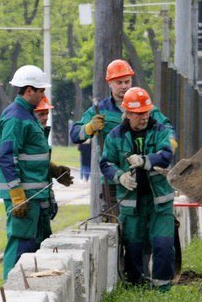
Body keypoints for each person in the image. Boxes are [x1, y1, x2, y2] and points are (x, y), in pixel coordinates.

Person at [69, 59, 176, 212]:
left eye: (127, 81)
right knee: (118, 222)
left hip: (147, 178)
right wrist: (89, 127)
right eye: (119, 82)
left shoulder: (146, 108)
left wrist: (169, 144)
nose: (124, 86)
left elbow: (167, 128)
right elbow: (75, 135)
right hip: (113, 180)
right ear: (109, 83)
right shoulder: (100, 110)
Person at [0, 65, 73, 279]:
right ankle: (12, 287)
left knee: (36, 245)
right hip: (25, 197)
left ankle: (27, 286)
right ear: (29, 90)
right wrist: (16, 194)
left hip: (35, 196)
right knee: (21, 243)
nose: (43, 95)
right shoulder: (15, 117)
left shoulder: (27, 115)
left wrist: (53, 169)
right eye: (41, 91)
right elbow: (7, 157)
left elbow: (30, 155)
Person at [100, 87, 176, 291]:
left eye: (146, 112)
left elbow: (166, 154)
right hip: (131, 203)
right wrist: (120, 176)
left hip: (159, 200)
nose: (144, 117)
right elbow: (106, 163)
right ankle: (135, 287)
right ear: (127, 113)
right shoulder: (115, 136)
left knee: (163, 244)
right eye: (139, 113)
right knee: (133, 246)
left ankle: (163, 287)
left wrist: (144, 160)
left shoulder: (160, 131)